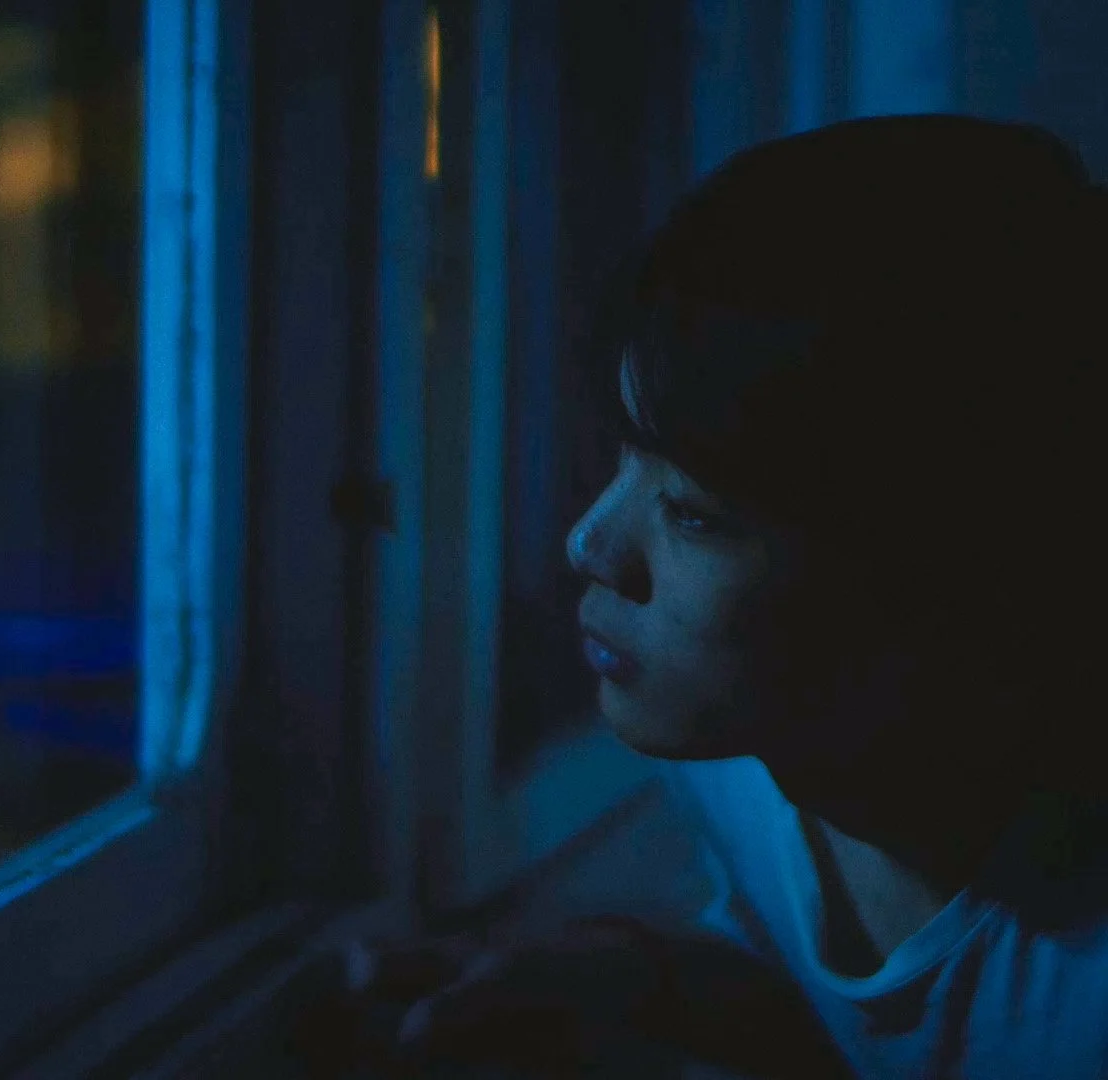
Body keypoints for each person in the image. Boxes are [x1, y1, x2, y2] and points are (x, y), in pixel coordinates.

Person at [335, 115, 1108, 1078]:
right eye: (625, 458)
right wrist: (631, 976)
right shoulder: (744, 750)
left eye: (695, 515)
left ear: (945, 573)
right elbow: (855, 1018)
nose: (590, 544)